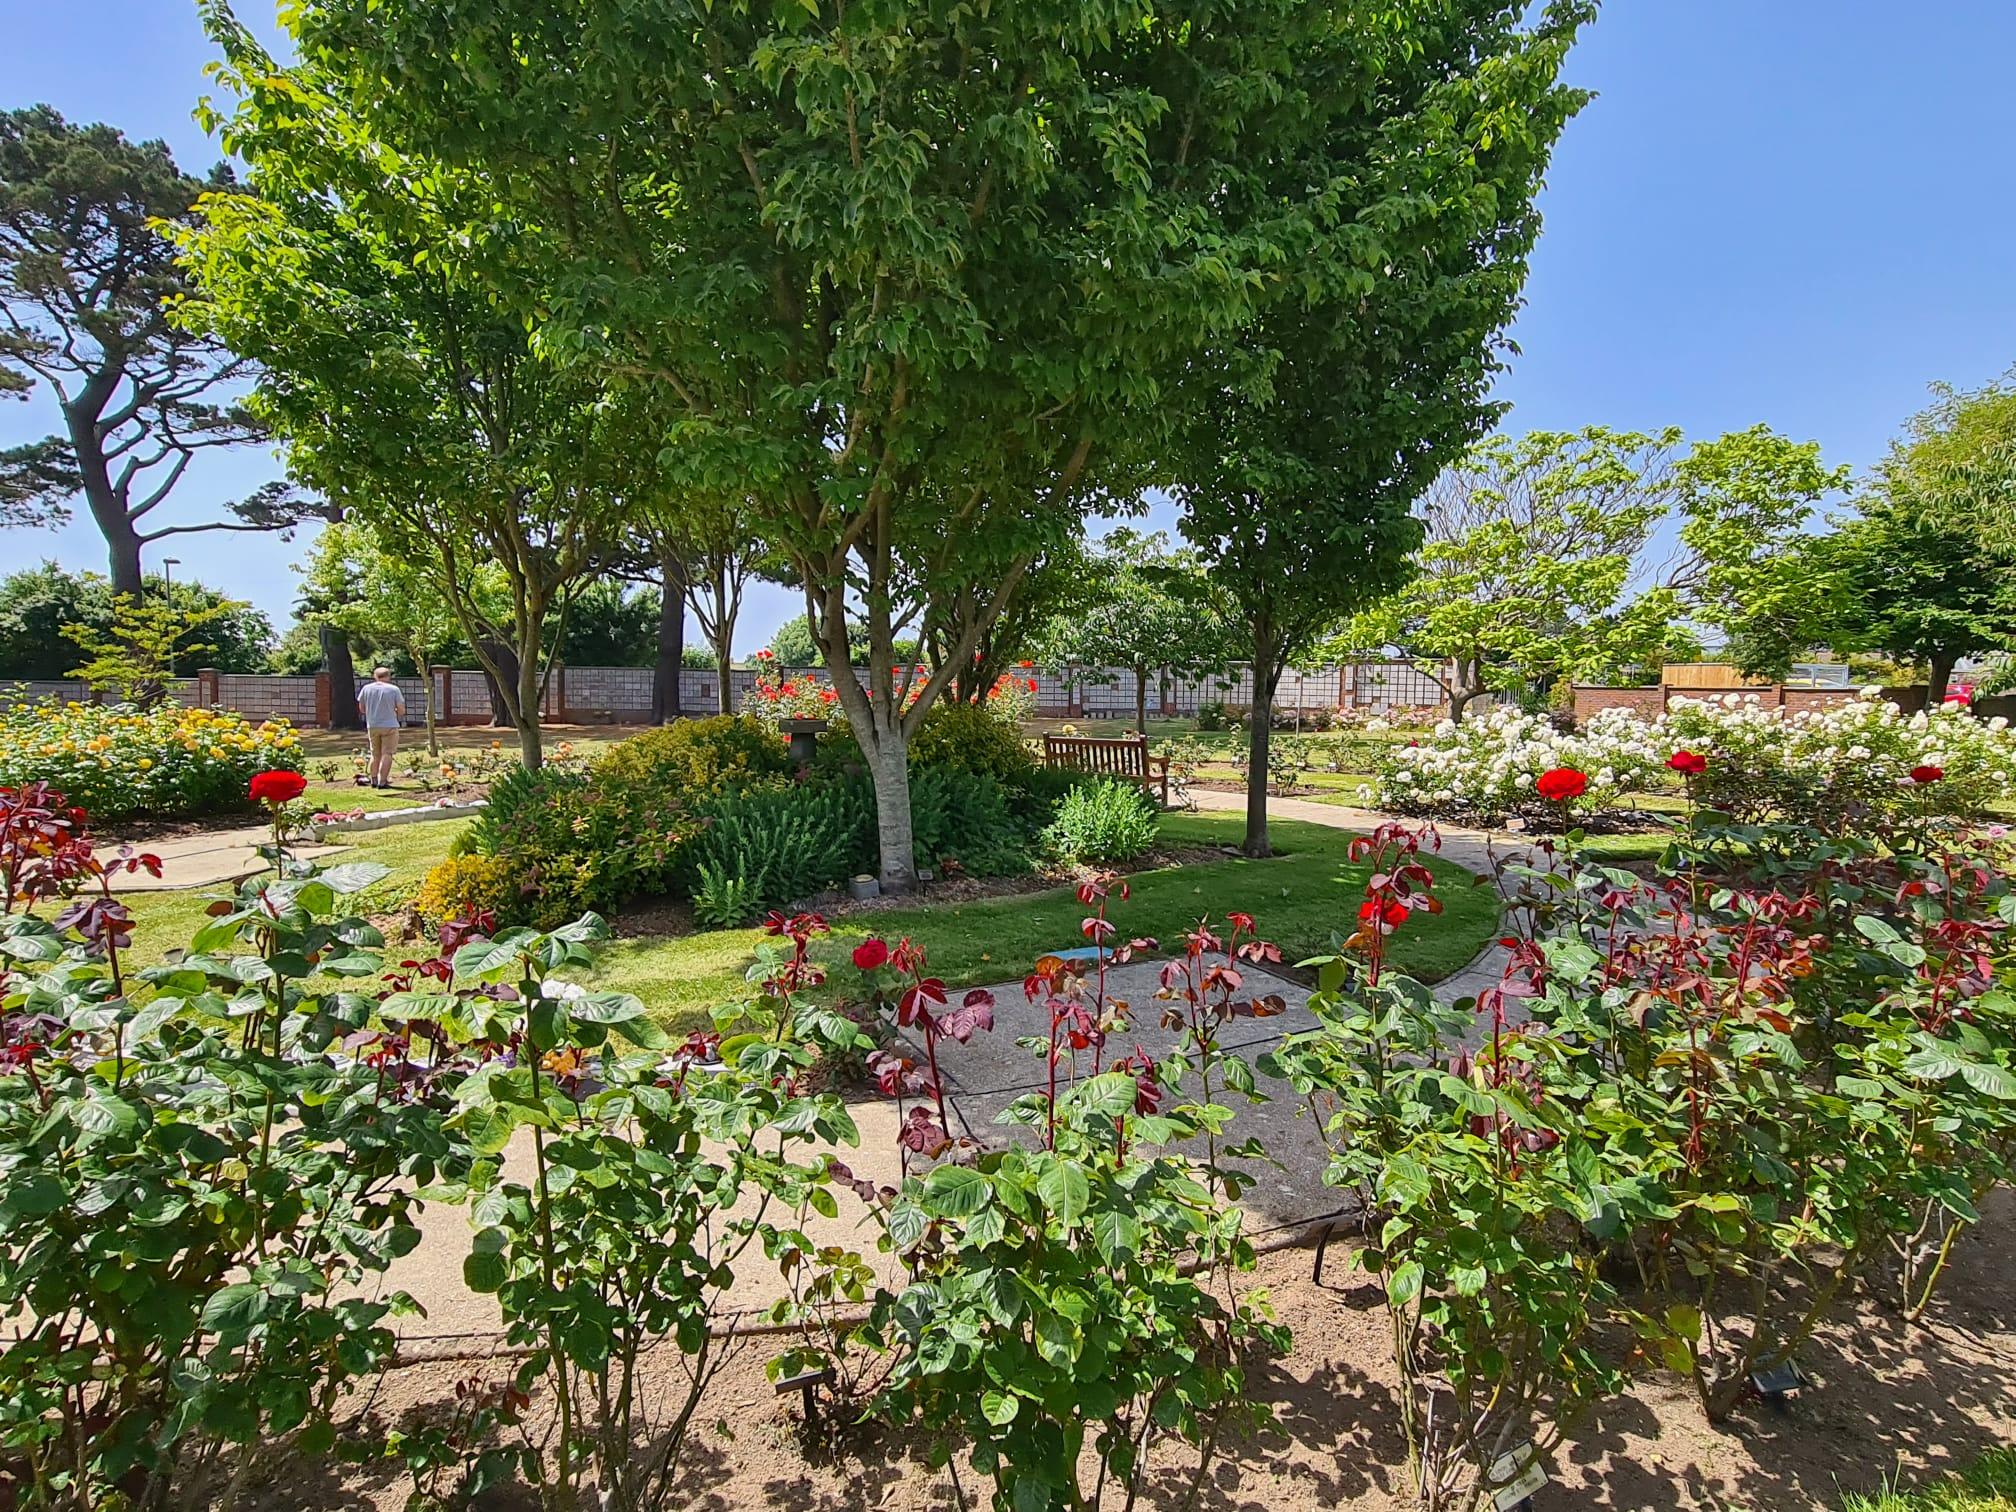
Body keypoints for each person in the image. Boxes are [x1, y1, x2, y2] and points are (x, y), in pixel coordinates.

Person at [358, 667, 407, 788]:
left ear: (375, 676)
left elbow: (362, 709)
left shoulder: (366, 688)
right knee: (387, 753)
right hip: (389, 725)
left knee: (375, 754)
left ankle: (373, 779)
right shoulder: (393, 689)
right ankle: (382, 781)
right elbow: (401, 710)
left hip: (372, 725)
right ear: (388, 676)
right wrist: (394, 711)